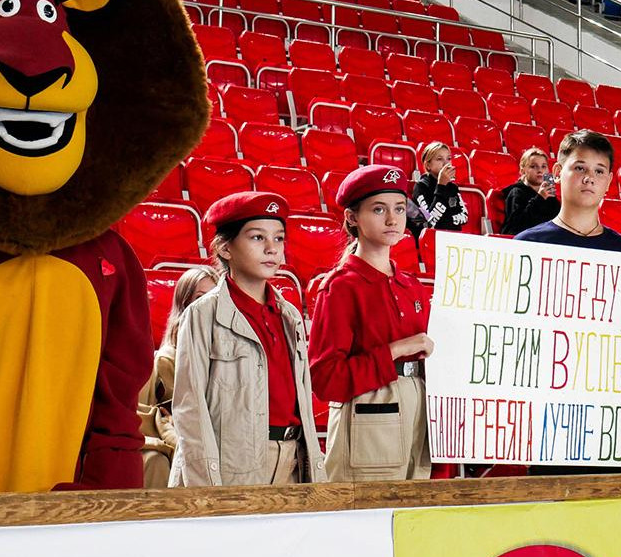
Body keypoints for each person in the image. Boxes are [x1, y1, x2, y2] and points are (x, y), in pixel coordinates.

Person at [514, 131, 621, 475]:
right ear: (558, 172)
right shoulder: (528, 246)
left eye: (598, 170)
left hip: (613, 415)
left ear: (609, 180)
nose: (589, 178)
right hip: (551, 413)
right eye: (579, 167)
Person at [169, 192, 326, 487]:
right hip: (232, 464)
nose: (271, 248)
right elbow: (190, 410)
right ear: (225, 248)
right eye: (257, 237)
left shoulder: (290, 315)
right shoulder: (203, 314)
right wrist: (206, 489)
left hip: (292, 459)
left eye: (279, 238)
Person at [310, 165, 434, 481]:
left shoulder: (412, 285)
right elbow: (325, 380)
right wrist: (396, 350)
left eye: (399, 209)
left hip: (418, 411)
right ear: (352, 217)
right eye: (379, 209)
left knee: (413, 507)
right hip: (368, 417)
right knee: (366, 507)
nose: (392, 219)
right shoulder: (341, 286)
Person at [138, 266, 218, 488]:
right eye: (199, 298)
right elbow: (148, 416)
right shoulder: (167, 359)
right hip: (179, 442)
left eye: (214, 298)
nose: (207, 306)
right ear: (185, 304)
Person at [499, 147, 560, 235]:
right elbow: (517, 225)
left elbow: (558, 221)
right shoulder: (516, 192)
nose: (540, 170)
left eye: (543, 166)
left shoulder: (549, 194)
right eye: (533, 166)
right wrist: (540, 198)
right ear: (522, 171)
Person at [411, 142, 468, 234]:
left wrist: (444, 220)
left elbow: (464, 216)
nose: (446, 163)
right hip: (431, 238)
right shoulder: (421, 186)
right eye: (439, 159)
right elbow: (430, 221)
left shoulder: (453, 187)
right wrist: (441, 186)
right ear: (428, 165)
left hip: (453, 237)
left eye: (449, 159)